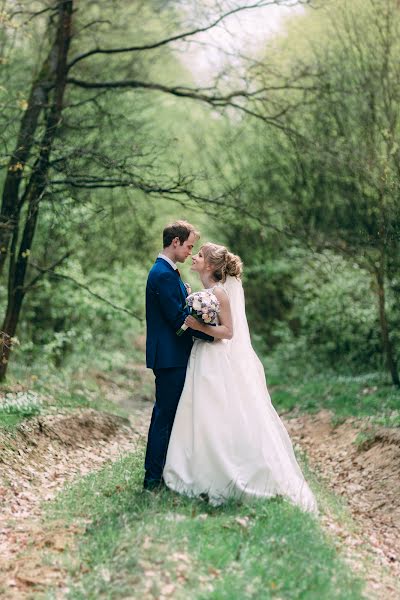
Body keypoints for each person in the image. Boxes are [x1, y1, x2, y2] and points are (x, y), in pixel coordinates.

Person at [163, 243, 317, 512]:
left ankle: (222, 469)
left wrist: (196, 325)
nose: (195, 258)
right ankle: (198, 464)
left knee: (214, 409)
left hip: (214, 357)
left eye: (199, 256)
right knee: (200, 410)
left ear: (210, 265)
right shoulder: (206, 292)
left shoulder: (220, 293)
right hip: (202, 354)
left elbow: (228, 332)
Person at [143, 221, 212, 491]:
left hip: (174, 356)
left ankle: (165, 474)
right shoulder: (161, 274)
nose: (189, 252)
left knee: (171, 416)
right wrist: (214, 336)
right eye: (189, 246)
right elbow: (179, 321)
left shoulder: (169, 273)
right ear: (175, 242)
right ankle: (152, 479)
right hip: (170, 358)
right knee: (164, 417)